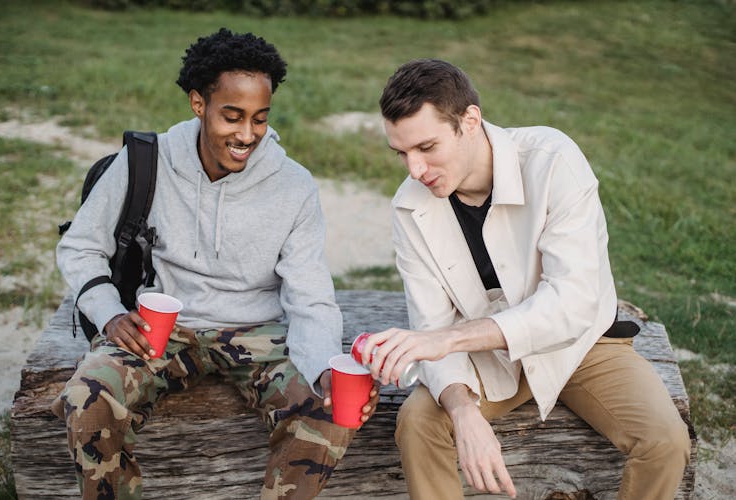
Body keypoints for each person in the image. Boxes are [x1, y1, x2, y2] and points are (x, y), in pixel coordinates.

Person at [52, 29, 376, 500]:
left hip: (260, 331)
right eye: (232, 116)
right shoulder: (146, 161)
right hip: (164, 327)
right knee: (88, 399)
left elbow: (310, 296)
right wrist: (109, 311)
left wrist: (325, 367)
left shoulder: (294, 186)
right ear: (198, 103)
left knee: (326, 412)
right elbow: (80, 245)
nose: (247, 135)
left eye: (259, 119)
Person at [361, 59, 691, 499]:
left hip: (582, 345)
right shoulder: (409, 206)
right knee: (419, 421)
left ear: (470, 121)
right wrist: (462, 411)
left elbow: (571, 304)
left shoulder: (553, 160)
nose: (414, 170)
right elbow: (431, 325)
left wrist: (448, 340)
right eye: (402, 153)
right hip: (486, 359)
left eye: (427, 147)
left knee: (665, 442)